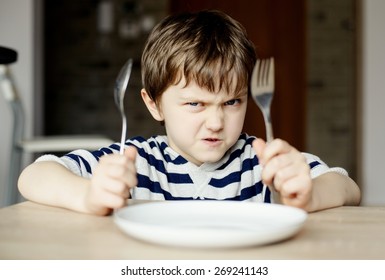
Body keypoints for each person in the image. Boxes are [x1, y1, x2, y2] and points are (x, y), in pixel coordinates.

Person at [18, 10, 360, 216]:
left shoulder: (261, 162)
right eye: (195, 104)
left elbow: (347, 186)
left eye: (232, 102)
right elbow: (34, 175)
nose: (216, 122)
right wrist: (87, 196)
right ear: (153, 104)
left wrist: (309, 194)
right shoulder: (135, 161)